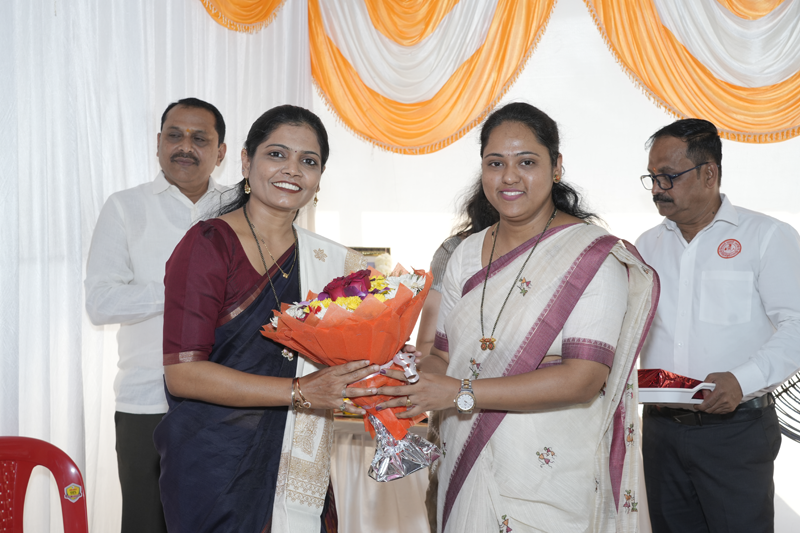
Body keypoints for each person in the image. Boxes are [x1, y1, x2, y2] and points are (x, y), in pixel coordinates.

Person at [379, 102, 657, 532]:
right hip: (465, 459)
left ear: (556, 166)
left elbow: (583, 378)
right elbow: (442, 356)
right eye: (496, 163)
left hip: (549, 474)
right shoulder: (465, 254)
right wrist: (409, 382)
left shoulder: (592, 257)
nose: (509, 177)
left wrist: (461, 392)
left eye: (526, 162)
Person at [153, 105, 379, 533]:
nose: (292, 169)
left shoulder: (328, 262)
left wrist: (384, 364)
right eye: (277, 154)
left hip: (297, 456)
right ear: (245, 161)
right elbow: (183, 375)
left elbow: (345, 356)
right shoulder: (208, 245)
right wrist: (300, 391)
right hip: (217, 465)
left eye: (308, 161)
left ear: (319, 177)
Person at [635, 118, 800, 532]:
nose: (657, 188)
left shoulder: (766, 236)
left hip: (735, 432)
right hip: (660, 431)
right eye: (652, 177)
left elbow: (797, 326)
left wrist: (742, 380)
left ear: (709, 173)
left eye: (669, 176)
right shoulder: (646, 246)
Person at [84, 97, 228, 533]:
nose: (185, 146)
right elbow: (101, 303)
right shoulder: (125, 207)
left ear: (221, 151)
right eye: (174, 135)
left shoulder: (240, 208)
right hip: (146, 402)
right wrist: (185, 291)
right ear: (158, 143)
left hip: (228, 402)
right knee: (146, 525)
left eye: (199, 138)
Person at [415, 177, 499, 532]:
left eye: (526, 163)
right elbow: (429, 346)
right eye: (497, 164)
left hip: (538, 418)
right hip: (456, 416)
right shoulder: (457, 251)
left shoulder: (568, 247)